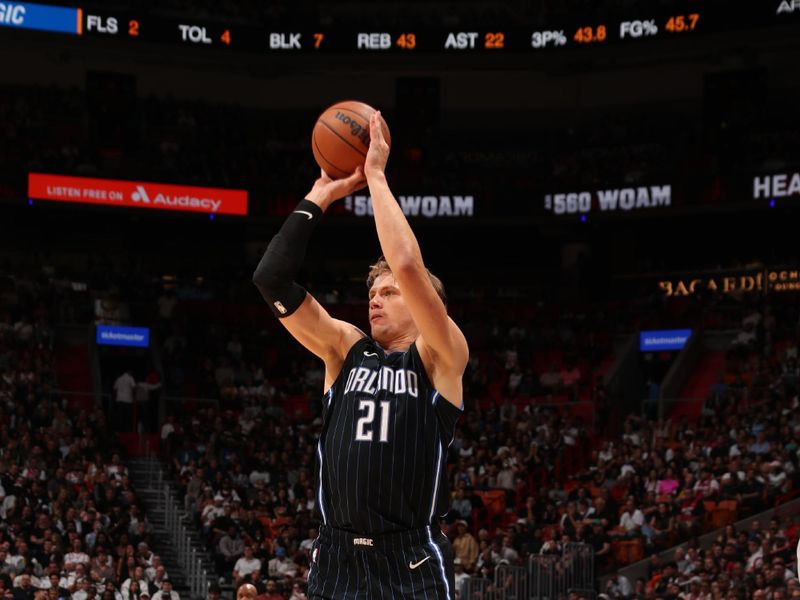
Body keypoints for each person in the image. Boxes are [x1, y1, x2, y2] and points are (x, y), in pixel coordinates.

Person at [252, 111, 468, 599]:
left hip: (411, 559)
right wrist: (320, 195)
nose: (375, 298)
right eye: (373, 291)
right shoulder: (345, 349)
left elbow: (409, 265)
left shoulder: (442, 357)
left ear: (421, 304)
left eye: (389, 292)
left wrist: (375, 175)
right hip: (337, 557)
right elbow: (270, 280)